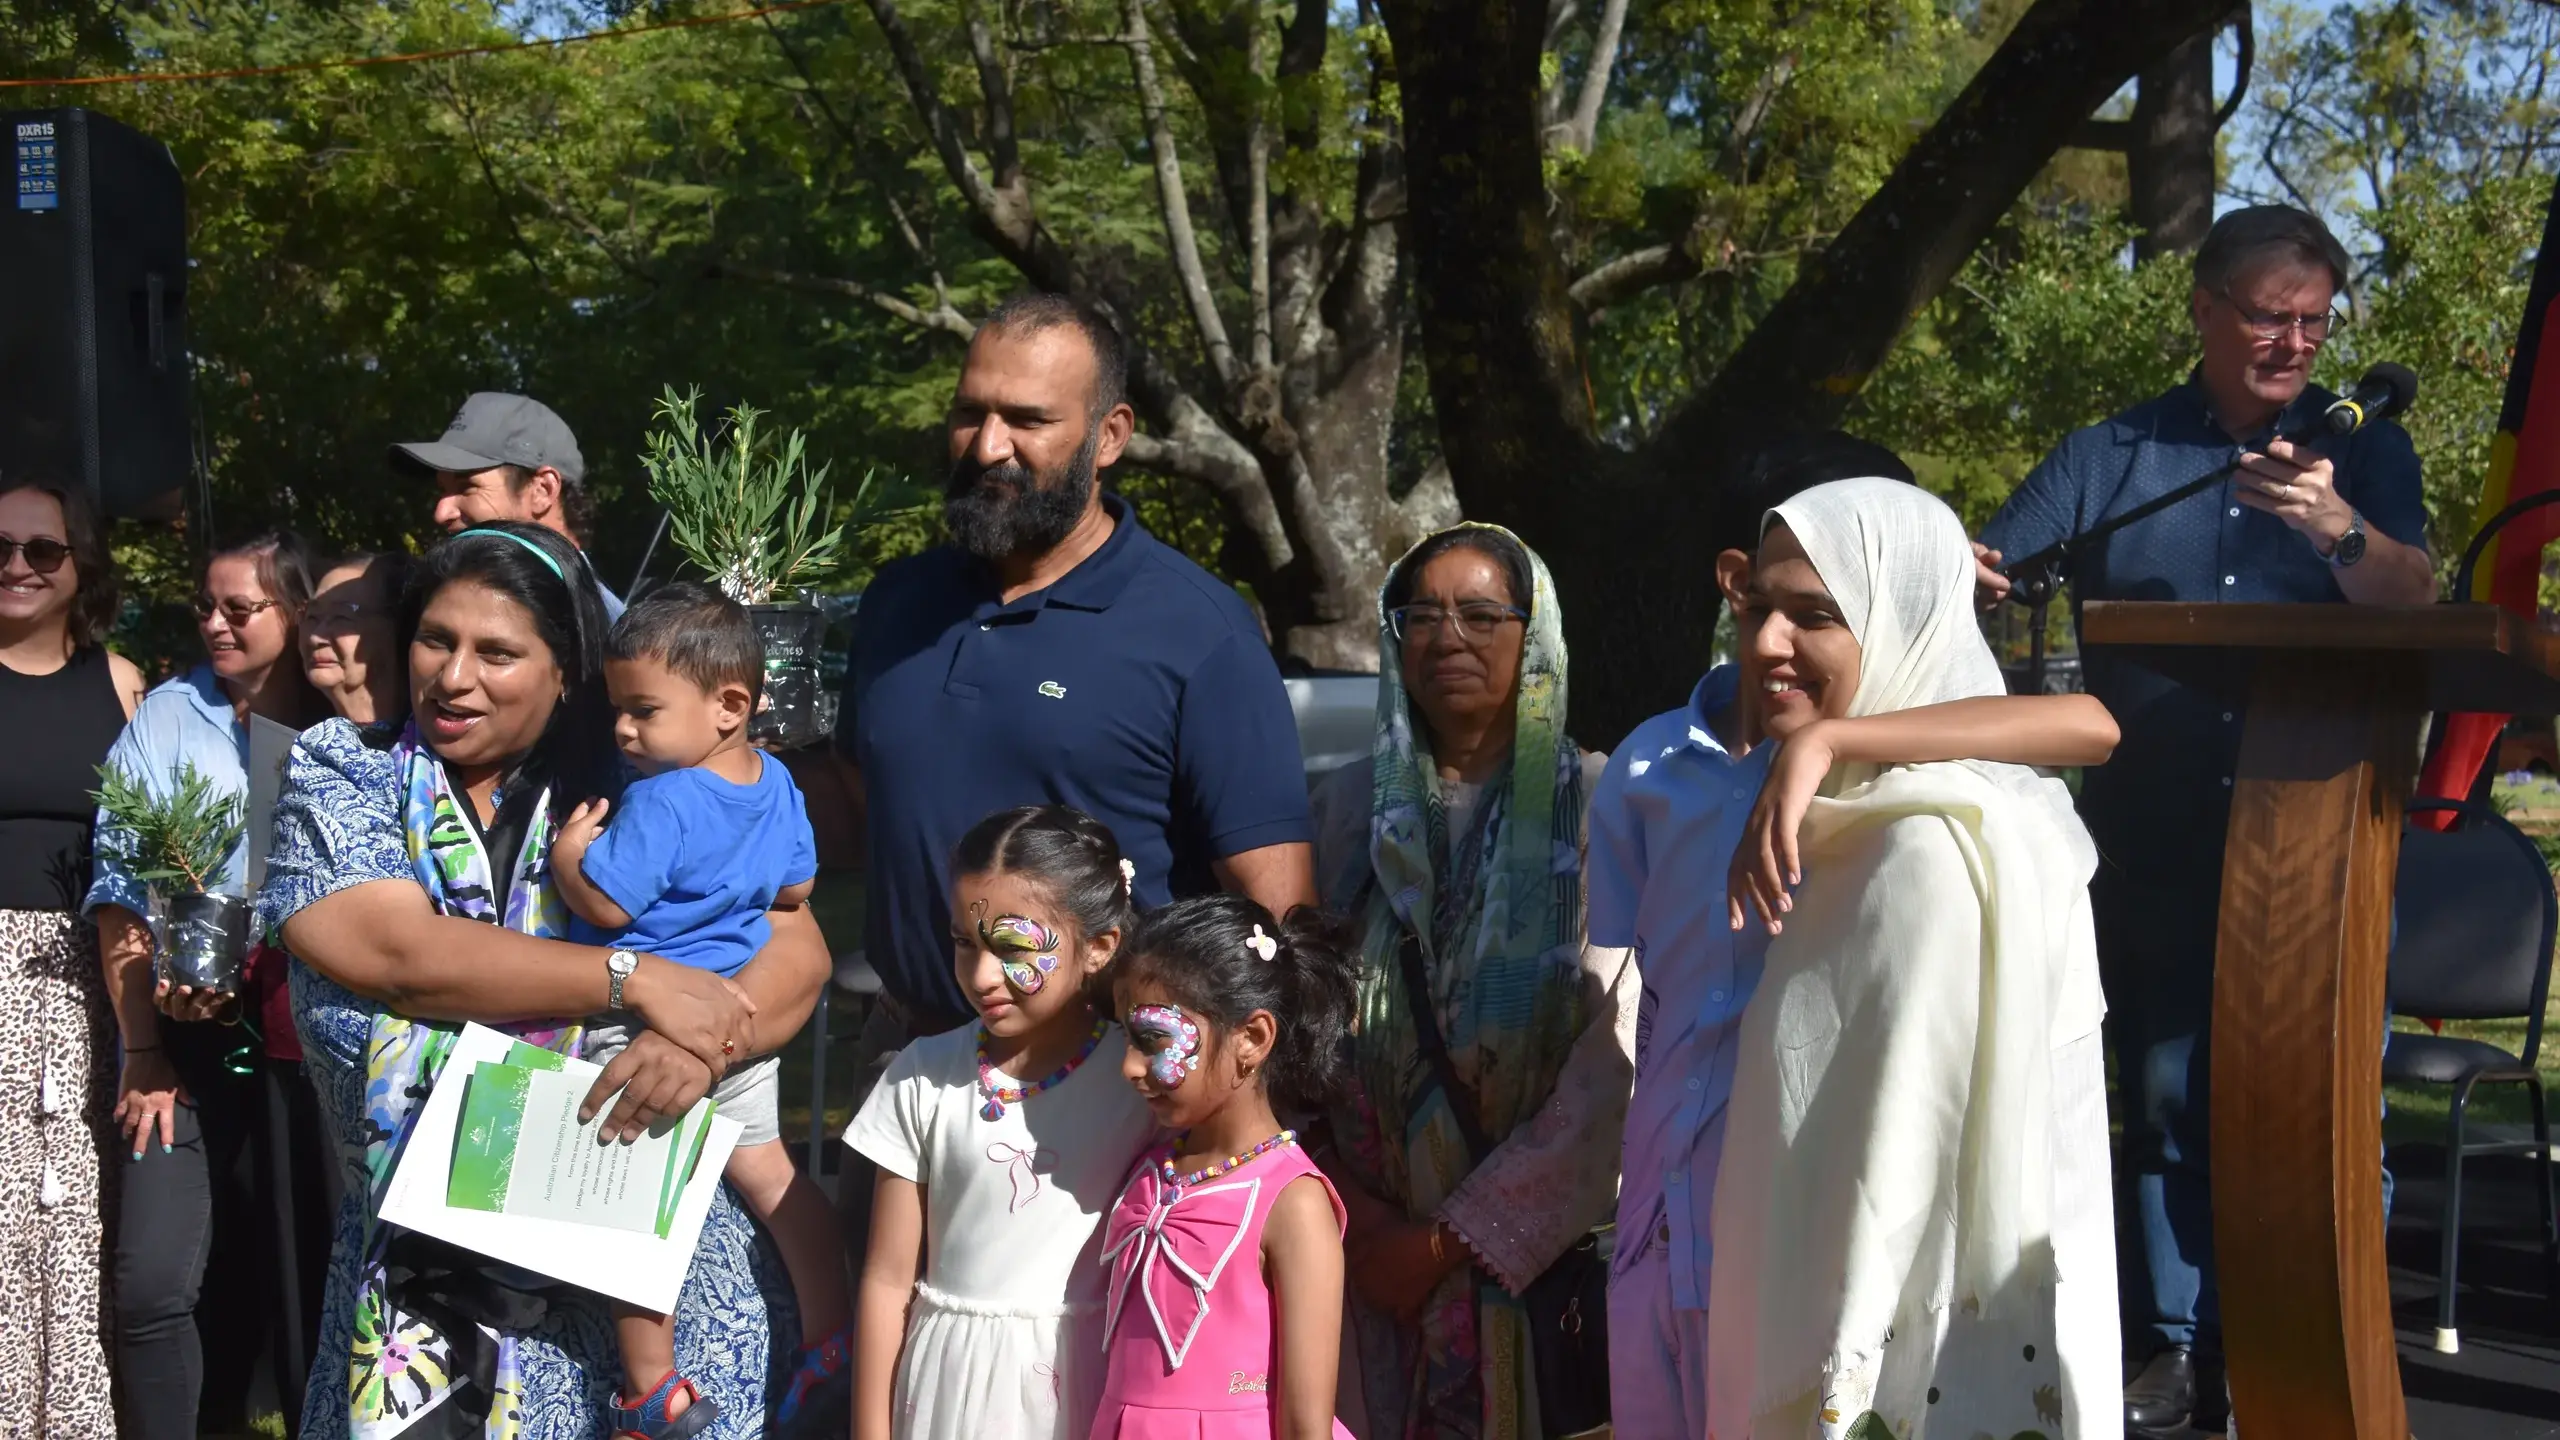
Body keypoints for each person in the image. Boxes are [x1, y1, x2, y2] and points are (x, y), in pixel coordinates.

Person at [1972, 204, 2434, 1435]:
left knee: (2324, 1102)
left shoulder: (2363, 446)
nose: (2292, 342)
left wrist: (2333, 526)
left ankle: (2318, 1335)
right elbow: (1990, 565)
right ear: (2204, 310)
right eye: (2268, 316)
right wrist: (1955, 561)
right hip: (2156, 831)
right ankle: (2178, 1350)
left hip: (2323, 834)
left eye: (2313, 320)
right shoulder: (2110, 454)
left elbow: (2417, 594)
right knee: (2170, 1095)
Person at [1593, 431, 2125, 1438]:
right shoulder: (1705, 771)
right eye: (1758, 609)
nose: (1765, 644)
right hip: (1687, 1231)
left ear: (1898, 613)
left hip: (1860, 1312)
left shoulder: (1933, 846)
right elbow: (1636, 1003)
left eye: (1818, 613)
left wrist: (1836, 738)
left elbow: (1903, 1185)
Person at [257, 522, 828, 1440]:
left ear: (569, 671)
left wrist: (706, 1043)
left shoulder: (641, 789)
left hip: (644, 1297)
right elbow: (398, 957)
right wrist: (632, 981)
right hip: (421, 1304)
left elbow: (799, 947)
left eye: (497, 652)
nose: (453, 676)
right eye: (436, 640)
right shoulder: (344, 777)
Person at [831, 294, 1314, 1249]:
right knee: (895, 1368)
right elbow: (856, 812)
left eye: (1028, 420)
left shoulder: (1196, 630)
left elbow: (1278, 922)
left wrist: (1227, 1135)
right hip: (910, 1069)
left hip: (1108, 1100)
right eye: (972, 412)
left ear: (1110, 436)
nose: (987, 445)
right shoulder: (898, 605)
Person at [1309, 522, 1635, 1439]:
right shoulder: (1342, 814)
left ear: (1536, 639)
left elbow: (1619, 1062)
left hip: (1534, 1275)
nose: (1449, 636)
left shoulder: (1601, 809)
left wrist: (1449, 1240)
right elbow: (1293, 1017)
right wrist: (1360, 1220)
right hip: (1367, 1268)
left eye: (1483, 613)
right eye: (1421, 615)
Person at [547, 582, 849, 1435]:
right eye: (619, 710)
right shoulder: (779, 779)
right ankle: (832, 1333)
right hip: (738, 1029)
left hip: (642, 1029)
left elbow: (607, 907)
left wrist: (572, 859)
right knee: (777, 1179)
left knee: (629, 1202)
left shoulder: (664, 799)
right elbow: (799, 884)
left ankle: (652, 1390)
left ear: (728, 705)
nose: (623, 731)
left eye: (643, 711)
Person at [90, 530, 323, 1440]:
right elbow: (119, 883)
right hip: (179, 1036)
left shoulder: (348, 718)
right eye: (206, 607)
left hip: (311, 1044)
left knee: (286, 1281)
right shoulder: (164, 715)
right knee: (150, 1282)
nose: (215, 625)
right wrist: (144, 1041)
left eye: (241, 608)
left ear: (296, 613)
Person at [845, 805, 1154, 1440]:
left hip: (1091, 1388)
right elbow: (885, 1278)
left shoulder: (1141, 1086)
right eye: (965, 942)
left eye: (1012, 948)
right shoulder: (923, 1074)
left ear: (1099, 946)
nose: (982, 976)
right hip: (946, 1393)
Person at [1097, 894, 1361, 1439]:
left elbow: (1305, 1425)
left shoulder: (1294, 1203)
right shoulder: (1148, 1169)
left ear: (1253, 1038)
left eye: (1154, 1040)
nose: (1127, 1066)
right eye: (1128, 1038)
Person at [0, 475, 142, 1436]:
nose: (17, 566)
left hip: (92, 977)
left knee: (78, 1211)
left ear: (78, 564)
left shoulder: (125, 684)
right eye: (0, 550)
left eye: (41, 550)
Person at [391, 392, 626, 619]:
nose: (441, 513)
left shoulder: (606, 637)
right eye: (442, 490)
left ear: (542, 490)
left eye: (466, 487)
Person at [303, 551, 413, 727]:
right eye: (312, 617)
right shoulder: (300, 746)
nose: (315, 637)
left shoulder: (424, 750)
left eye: (341, 617)